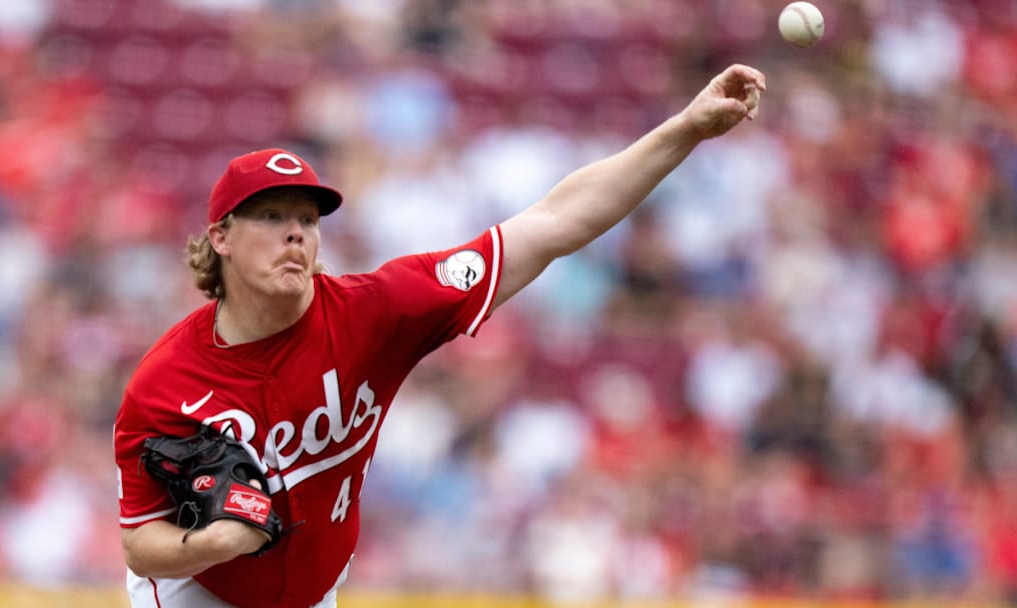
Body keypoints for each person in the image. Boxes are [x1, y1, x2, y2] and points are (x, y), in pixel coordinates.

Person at [113, 63, 766, 608]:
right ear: (219, 238)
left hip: (315, 592)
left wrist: (687, 129)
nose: (296, 232)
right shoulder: (167, 381)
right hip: (200, 595)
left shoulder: (378, 310)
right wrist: (212, 545)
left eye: (307, 219)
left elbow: (553, 224)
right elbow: (139, 541)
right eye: (271, 215)